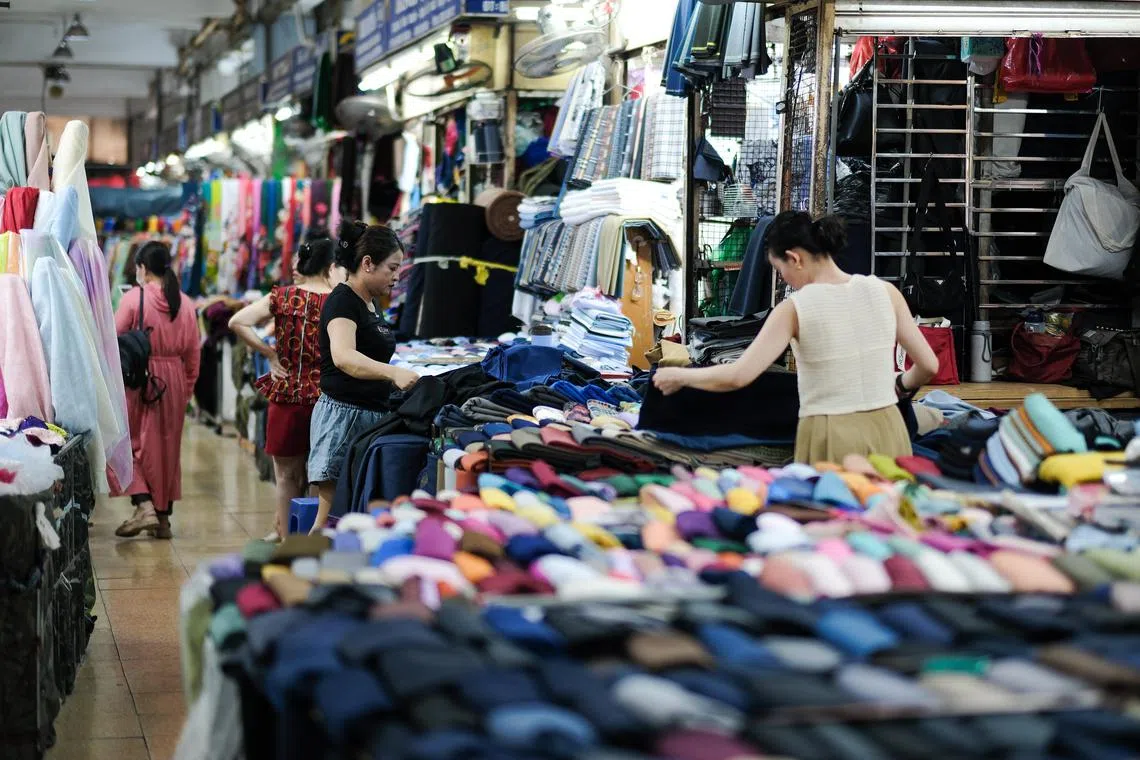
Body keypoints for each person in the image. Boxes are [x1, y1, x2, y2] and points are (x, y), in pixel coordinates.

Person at [653, 211, 939, 463]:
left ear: (794, 258)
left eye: (780, 270)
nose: (784, 278)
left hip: (832, 433)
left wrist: (680, 377)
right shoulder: (885, 292)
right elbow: (929, 366)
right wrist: (899, 386)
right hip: (890, 426)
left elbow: (738, 376)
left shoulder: (795, 309)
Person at [308, 220, 419, 532]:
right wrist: (393, 372)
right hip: (344, 419)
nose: (397, 277)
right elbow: (344, 357)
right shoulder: (343, 301)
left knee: (350, 520)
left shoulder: (370, 303)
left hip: (368, 415)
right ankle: (309, 569)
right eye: (392, 268)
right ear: (367, 264)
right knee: (332, 520)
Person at [228, 236, 338, 542]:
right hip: (327, 400)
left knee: (286, 477)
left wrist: (270, 353)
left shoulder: (283, 296)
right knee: (320, 476)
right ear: (332, 265)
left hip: (287, 393)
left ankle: (287, 540)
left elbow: (238, 321)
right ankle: (312, 541)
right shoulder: (338, 300)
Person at [113, 241, 201, 538]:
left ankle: (144, 505)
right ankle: (162, 519)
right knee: (166, 449)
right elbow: (193, 354)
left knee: (129, 443)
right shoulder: (186, 304)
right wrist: (186, 389)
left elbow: (113, 340)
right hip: (174, 380)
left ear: (142, 268)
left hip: (142, 378)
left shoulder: (133, 299)